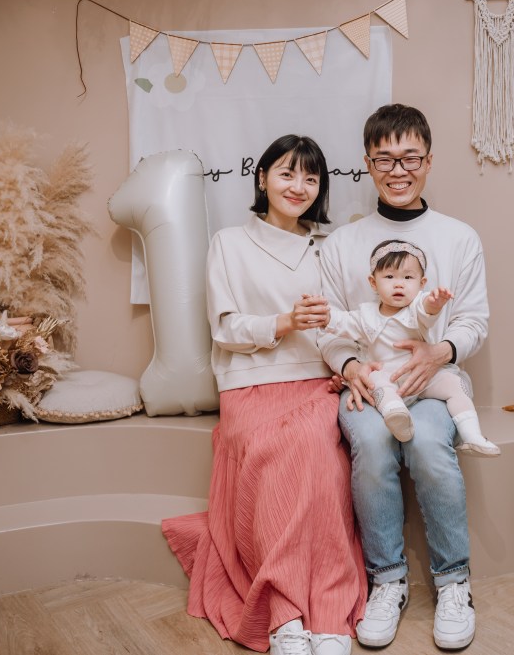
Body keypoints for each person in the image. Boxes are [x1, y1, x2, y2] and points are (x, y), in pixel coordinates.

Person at [161, 134, 366, 655]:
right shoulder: (228, 243)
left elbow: (341, 327)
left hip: (315, 381)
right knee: (270, 454)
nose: (299, 187)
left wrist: (345, 363)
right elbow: (225, 328)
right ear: (262, 178)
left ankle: (327, 609)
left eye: (311, 178)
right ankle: (283, 613)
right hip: (248, 383)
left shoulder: (327, 248)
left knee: (318, 453)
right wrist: (284, 322)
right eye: (287, 173)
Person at [317, 104, 490, 650]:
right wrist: (349, 367)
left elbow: (473, 321)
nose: (398, 170)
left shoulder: (460, 238)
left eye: (410, 158)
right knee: (371, 445)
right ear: (368, 164)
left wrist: (439, 352)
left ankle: (453, 582)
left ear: (429, 161)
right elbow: (329, 328)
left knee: (432, 446)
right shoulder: (341, 244)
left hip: (436, 384)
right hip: (372, 387)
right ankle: (387, 581)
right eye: (385, 159)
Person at [323, 239, 499, 456]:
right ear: (373, 282)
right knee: (375, 382)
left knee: (454, 384)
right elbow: (342, 322)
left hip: (422, 377)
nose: (399, 284)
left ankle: (472, 435)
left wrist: (435, 303)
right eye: (389, 277)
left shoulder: (416, 308)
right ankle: (397, 417)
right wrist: (325, 316)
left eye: (408, 278)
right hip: (388, 377)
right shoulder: (366, 315)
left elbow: (427, 311)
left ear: (422, 283)